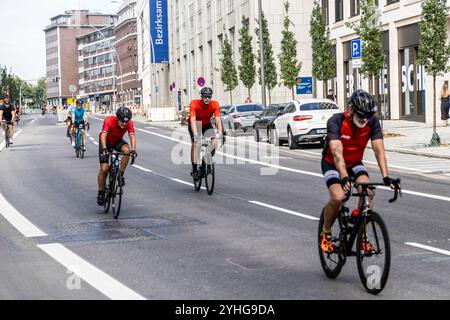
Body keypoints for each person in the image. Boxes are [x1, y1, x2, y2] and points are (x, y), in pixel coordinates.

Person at [320, 89, 399, 253]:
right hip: (332, 163)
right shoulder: (336, 121)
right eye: (361, 115)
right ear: (351, 110)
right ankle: (326, 233)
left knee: (368, 191)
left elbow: (379, 150)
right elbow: (336, 153)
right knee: (339, 197)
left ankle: (363, 235)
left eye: (368, 116)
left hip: (355, 162)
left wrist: (386, 176)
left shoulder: (372, 122)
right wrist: (344, 177)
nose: (365, 119)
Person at [97, 106, 137, 206]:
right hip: (105, 142)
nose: (124, 124)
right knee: (104, 168)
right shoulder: (109, 120)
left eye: (126, 122)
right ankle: (101, 192)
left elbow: (132, 136)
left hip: (117, 141)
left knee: (127, 151)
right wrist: (104, 148)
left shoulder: (129, 123)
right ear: (117, 118)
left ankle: (121, 175)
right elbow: (103, 135)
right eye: (122, 121)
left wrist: (133, 149)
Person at [188, 87, 224, 179]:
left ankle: (207, 159)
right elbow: (192, 119)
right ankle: (195, 169)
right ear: (201, 97)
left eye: (209, 97)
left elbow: (218, 120)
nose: (207, 99)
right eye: (205, 97)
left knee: (214, 142)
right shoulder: (194, 103)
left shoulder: (214, 104)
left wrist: (220, 133)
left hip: (207, 125)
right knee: (195, 145)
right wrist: (195, 134)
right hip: (196, 124)